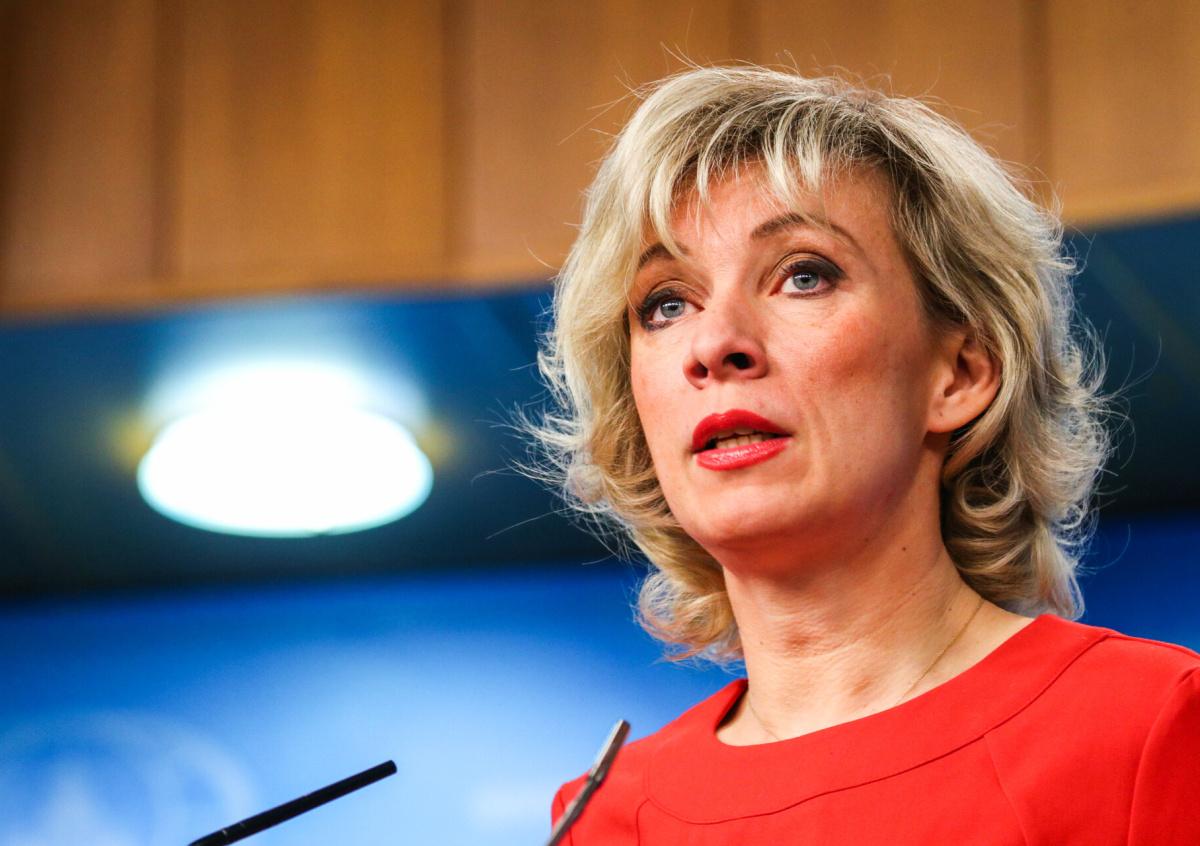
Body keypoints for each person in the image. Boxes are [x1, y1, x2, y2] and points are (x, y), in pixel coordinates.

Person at [534, 66, 1200, 843]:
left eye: (803, 276)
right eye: (667, 304)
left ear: (960, 374)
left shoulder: (1153, 727)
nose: (713, 344)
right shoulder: (606, 817)